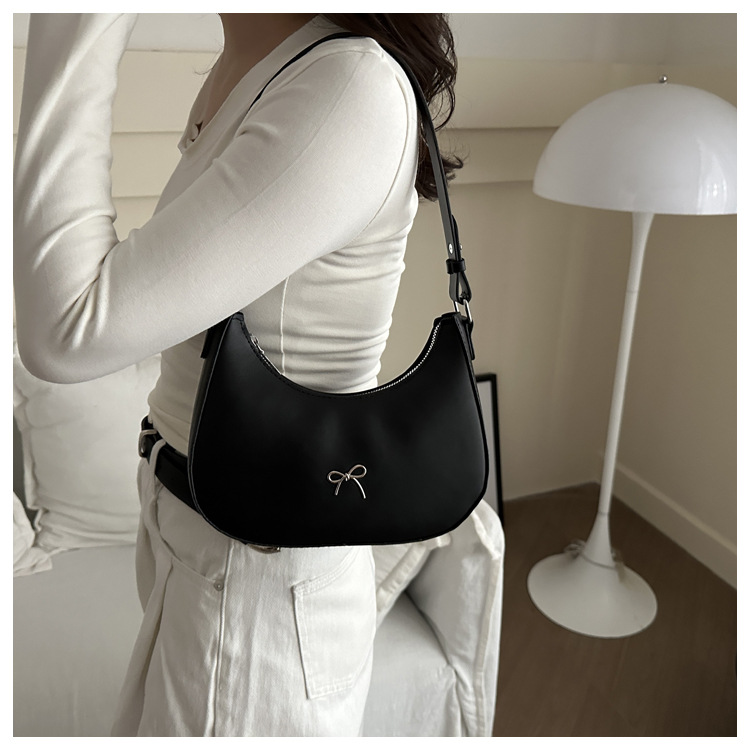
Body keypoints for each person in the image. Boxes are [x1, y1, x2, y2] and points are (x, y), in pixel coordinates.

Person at [13, 13, 462, 737]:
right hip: (201, 544)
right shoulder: (264, 66)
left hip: (257, 583)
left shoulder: (348, 85)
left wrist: (76, 22)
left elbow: (67, 330)